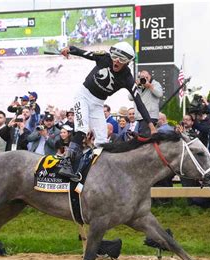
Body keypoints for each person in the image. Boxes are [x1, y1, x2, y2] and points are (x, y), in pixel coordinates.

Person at [58, 42, 156, 180]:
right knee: (82, 128)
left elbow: (139, 102)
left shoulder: (127, 78)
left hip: (98, 104)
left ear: (127, 62)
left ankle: (96, 170)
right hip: (83, 96)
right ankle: (67, 163)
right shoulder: (104, 57)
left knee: (102, 138)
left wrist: (151, 125)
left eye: (121, 60)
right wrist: (68, 49)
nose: (116, 61)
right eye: (115, 56)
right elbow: (82, 52)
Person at [128, 69, 163, 135]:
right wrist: (135, 86)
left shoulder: (155, 83)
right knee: (140, 137)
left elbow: (160, 94)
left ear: (150, 76)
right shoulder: (139, 86)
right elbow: (130, 97)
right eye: (142, 78)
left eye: (146, 78)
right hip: (140, 117)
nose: (144, 79)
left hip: (150, 116)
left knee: (144, 137)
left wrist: (150, 86)